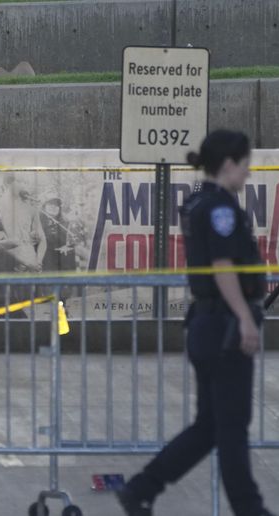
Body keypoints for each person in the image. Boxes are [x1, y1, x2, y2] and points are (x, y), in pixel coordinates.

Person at [117, 130, 274, 516]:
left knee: (210, 427)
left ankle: (141, 488)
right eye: (245, 164)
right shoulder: (220, 208)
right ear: (229, 164)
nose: (248, 172)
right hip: (224, 327)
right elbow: (223, 267)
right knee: (232, 428)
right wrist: (245, 319)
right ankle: (250, 510)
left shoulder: (197, 201)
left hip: (207, 325)